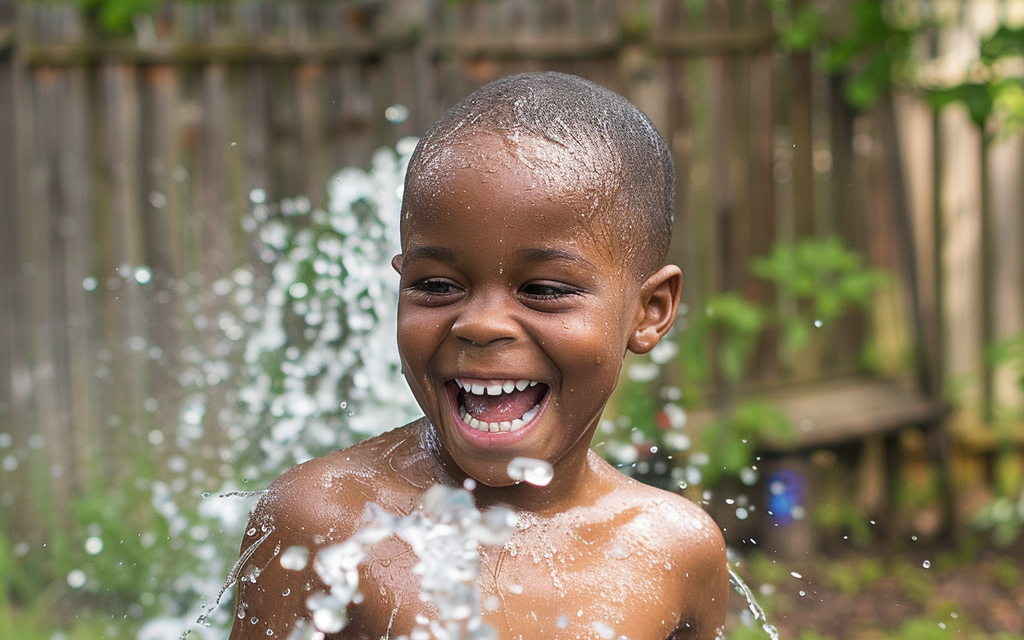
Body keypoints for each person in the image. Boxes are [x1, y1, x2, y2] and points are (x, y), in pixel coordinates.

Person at [228, 71, 729, 640]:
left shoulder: (674, 549)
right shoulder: (324, 520)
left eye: (544, 290)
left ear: (650, 310)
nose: (481, 325)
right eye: (438, 285)